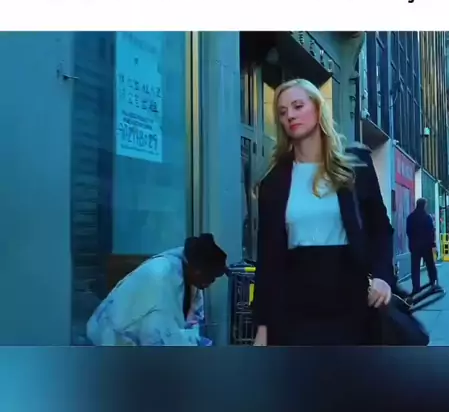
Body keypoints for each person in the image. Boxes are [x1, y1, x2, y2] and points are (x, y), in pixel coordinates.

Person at [252, 78, 395, 347]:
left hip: (351, 299)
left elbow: (380, 229)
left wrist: (382, 276)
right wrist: (262, 326)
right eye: (282, 112)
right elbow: (268, 257)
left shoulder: (355, 166)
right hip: (294, 304)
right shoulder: (274, 180)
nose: (290, 115)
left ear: (318, 109)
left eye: (297, 106)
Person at [86, 234, 227, 345]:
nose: (212, 282)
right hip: (111, 343)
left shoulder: (191, 282)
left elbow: (193, 323)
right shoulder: (160, 276)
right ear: (197, 270)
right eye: (211, 276)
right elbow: (159, 334)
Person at [406, 198, 439, 295]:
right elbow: (431, 231)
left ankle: (416, 287)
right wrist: (432, 243)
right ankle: (433, 283)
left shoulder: (410, 217)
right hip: (426, 245)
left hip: (414, 246)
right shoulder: (427, 217)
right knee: (430, 265)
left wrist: (412, 241)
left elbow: (408, 231)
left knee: (415, 267)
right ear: (424, 205)